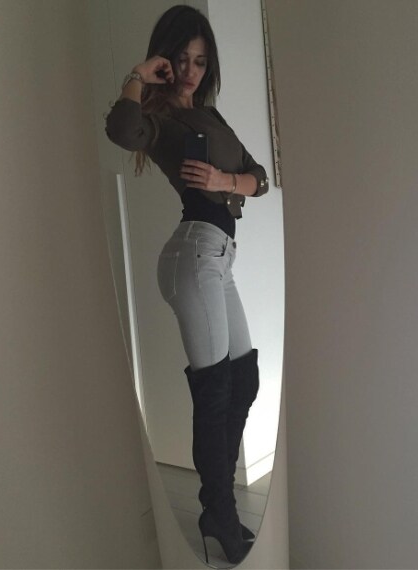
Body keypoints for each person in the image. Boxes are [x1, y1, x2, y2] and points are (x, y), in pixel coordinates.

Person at [105, 5, 269, 564]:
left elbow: (259, 178)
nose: (191, 71)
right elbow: (121, 130)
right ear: (164, 60)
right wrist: (137, 74)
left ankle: (216, 506)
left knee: (244, 378)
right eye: (181, 59)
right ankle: (218, 511)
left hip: (217, 258)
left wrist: (225, 179)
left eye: (200, 61)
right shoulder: (159, 121)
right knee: (215, 390)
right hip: (194, 254)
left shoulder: (210, 116)